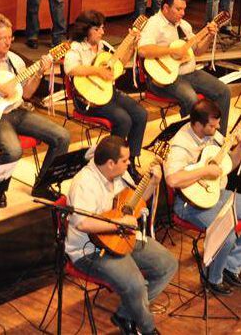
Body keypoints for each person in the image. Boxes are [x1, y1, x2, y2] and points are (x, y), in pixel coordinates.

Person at [67, 136, 176, 335]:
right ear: (110, 163)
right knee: (136, 285)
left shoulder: (120, 175)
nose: (129, 163)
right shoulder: (84, 183)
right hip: (90, 250)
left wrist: (153, 183)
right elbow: (82, 223)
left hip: (121, 238)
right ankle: (148, 329)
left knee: (167, 264)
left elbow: (133, 205)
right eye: (125, 160)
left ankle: (125, 315)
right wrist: (119, 223)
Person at [164, 100, 241, 295]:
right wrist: (205, 170)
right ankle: (212, 278)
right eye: (212, 126)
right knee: (226, 234)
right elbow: (172, 180)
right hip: (190, 204)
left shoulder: (212, 134)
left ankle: (230, 265)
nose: (216, 129)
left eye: (217, 125)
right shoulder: (180, 145)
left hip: (216, 193)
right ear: (198, 124)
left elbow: (229, 164)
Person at [0, 14, 70, 206]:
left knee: (63, 136)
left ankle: (43, 185)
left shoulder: (15, 60)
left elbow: (26, 94)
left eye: (10, 37)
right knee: (13, 150)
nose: (8, 42)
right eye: (2, 38)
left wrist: (39, 73)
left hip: (17, 111)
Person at [64, 10, 148, 176]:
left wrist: (131, 46)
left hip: (108, 92)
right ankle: (111, 161)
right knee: (123, 120)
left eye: (102, 28)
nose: (102, 32)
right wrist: (97, 71)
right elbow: (71, 69)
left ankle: (129, 161)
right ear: (85, 30)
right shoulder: (76, 48)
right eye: (97, 29)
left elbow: (119, 64)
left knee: (140, 114)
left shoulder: (104, 46)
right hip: (87, 99)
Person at [137, 0, 232, 134]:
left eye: (184, 9)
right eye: (178, 9)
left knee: (224, 91)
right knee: (191, 99)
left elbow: (198, 51)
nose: (183, 13)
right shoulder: (153, 24)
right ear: (166, 8)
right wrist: (171, 51)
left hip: (190, 74)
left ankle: (218, 138)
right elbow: (142, 50)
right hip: (165, 78)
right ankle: (191, 139)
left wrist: (209, 36)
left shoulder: (184, 26)